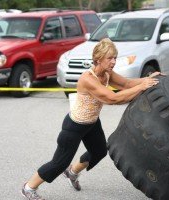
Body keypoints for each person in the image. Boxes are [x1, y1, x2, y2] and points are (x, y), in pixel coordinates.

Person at [21, 38, 160, 200]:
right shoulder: (88, 79)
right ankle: (29, 187)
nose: (113, 61)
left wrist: (148, 79)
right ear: (98, 59)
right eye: (110, 58)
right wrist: (142, 87)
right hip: (74, 126)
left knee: (99, 151)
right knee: (59, 163)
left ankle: (72, 172)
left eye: (115, 57)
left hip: (92, 123)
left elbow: (127, 84)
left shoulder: (107, 73)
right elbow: (112, 99)